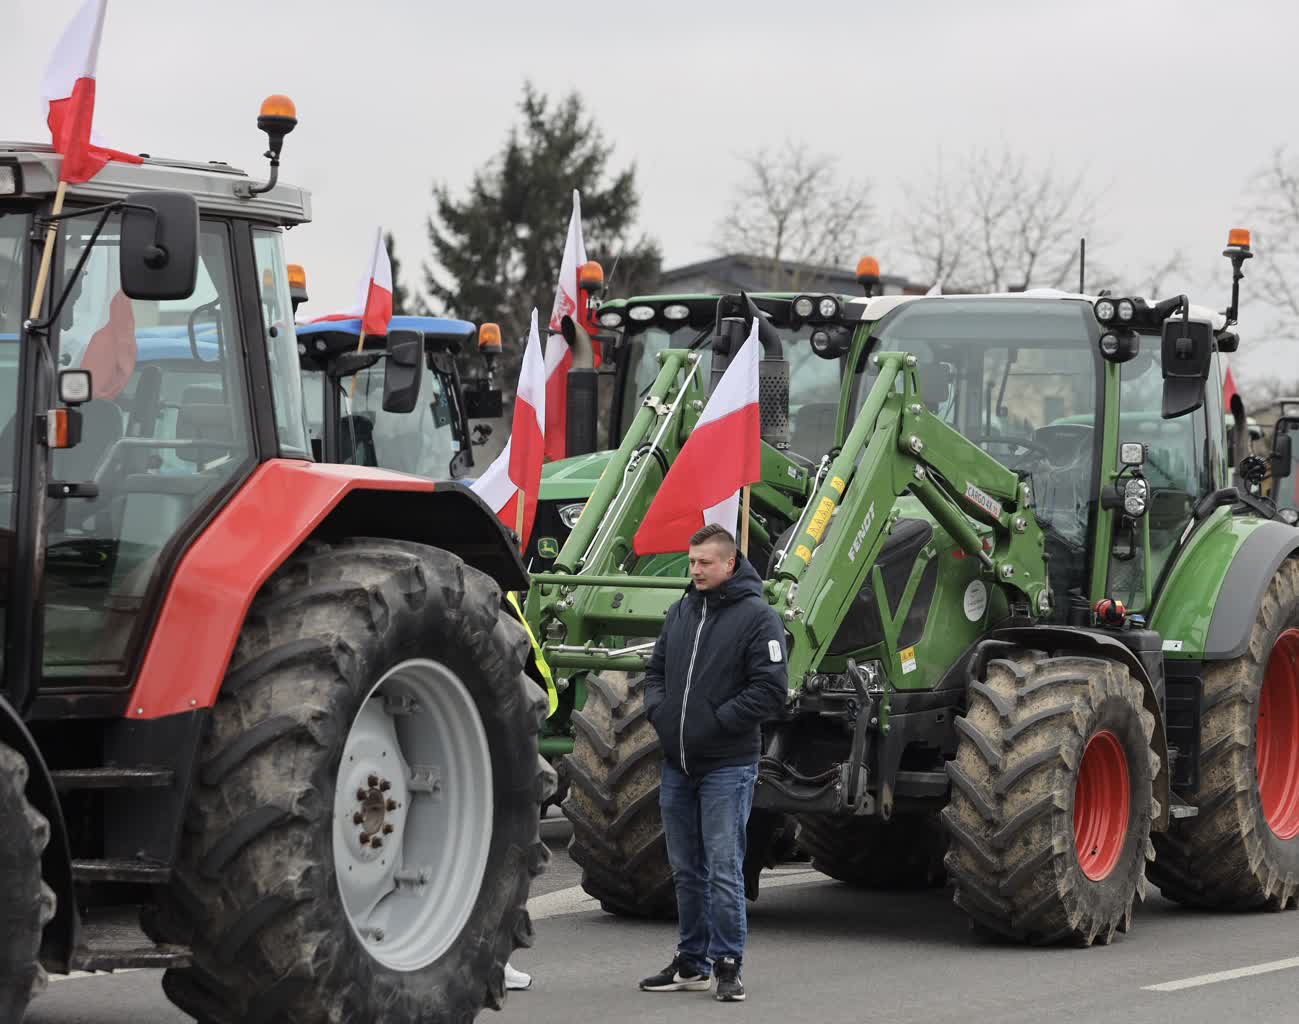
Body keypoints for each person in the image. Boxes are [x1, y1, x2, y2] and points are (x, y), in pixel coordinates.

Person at [638, 523, 788, 1003]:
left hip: (728, 766)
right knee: (686, 869)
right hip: (678, 764)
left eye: (704, 562)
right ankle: (691, 962)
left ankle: (727, 965)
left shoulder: (758, 617)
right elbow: (655, 672)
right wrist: (660, 713)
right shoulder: (682, 611)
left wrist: (716, 722)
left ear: (730, 563)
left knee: (723, 868)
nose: (696, 570)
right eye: (692, 562)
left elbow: (770, 690)